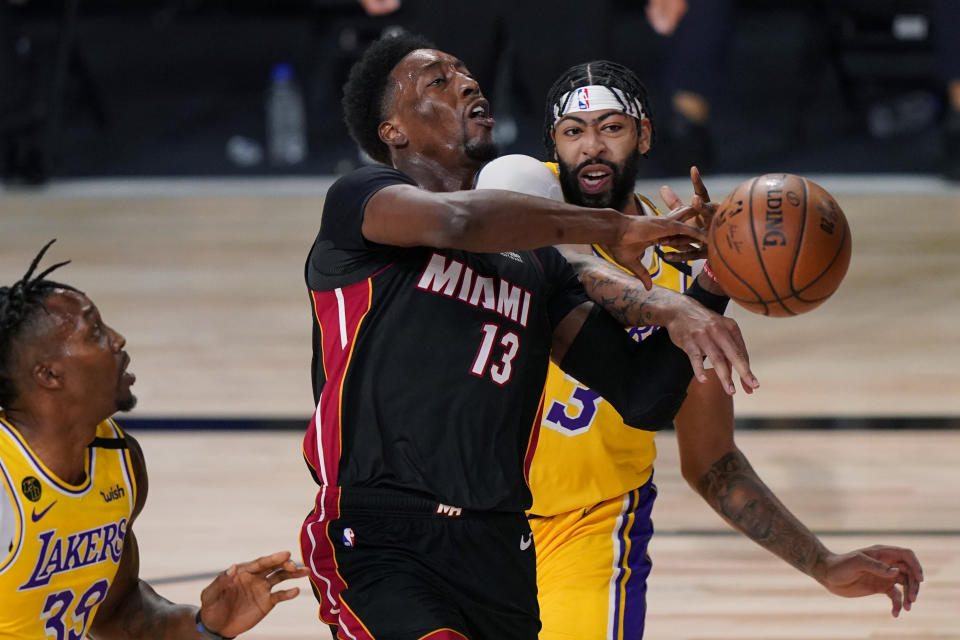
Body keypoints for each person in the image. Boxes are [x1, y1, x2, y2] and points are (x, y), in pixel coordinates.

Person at [299, 32, 759, 640]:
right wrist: (614, 226)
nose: (468, 84)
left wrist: (715, 278)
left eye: (469, 75)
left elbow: (642, 394)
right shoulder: (362, 203)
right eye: (439, 81)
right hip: (383, 536)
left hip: (497, 547)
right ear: (393, 131)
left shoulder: (536, 263)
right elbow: (460, 219)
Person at [477, 61, 925, 639]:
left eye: (611, 128)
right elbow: (550, 254)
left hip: (590, 526)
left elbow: (711, 459)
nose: (591, 146)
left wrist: (820, 562)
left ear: (644, 134)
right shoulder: (515, 192)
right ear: (552, 147)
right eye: (573, 131)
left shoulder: (684, 272)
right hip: (471, 515)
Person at [0, 240, 308, 640]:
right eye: (94, 332)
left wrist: (206, 626)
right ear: (49, 375)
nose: (117, 339)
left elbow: (119, 612)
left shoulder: (120, 460)